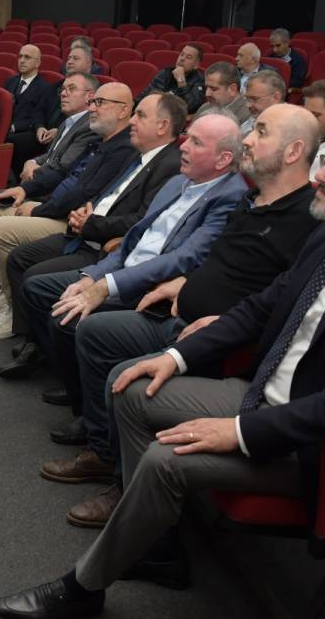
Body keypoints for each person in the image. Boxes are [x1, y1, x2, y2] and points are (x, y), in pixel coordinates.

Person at [0, 112, 325, 619]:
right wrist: (175, 356)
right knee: (132, 386)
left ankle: (83, 587)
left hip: (311, 441)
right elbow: (260, 307)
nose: (319, 177)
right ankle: (158, 545)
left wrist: (238, 431)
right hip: (260, 392)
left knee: (165, 459)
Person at [42, 104, 323, 526]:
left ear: (293, 151)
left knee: (124, 378)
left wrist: (225, 318)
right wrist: (184, 284)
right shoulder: (252, 200)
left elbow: (289, 297)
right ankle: (105, 452)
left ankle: (128, 490)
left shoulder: (309, 219)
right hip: (177, 310)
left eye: (260, 132)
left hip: (223, 339)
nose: (247, 139)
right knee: (94, 332)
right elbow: (218, 261)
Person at [15, 112, 247, 408]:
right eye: (187, 138)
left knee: (65, 319)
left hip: (149, 286)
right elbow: (132, 241)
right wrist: (92, 276)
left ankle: (88, 409)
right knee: (37, 289)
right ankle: (74, 380)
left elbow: (184, 258)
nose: (184, 146)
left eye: (197, 143)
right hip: (121, 267)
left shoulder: (230, 197)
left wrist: (106, 285)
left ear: (223, 159)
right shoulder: (178, 181)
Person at [0, 91, 184, 341]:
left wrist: (90, 221)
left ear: (162, 126)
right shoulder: (139, 154)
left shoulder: (169, 164)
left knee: (33, 276)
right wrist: (89, 209)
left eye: (140, 115)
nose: (132, 120)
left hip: (104, 245)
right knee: (20, 258)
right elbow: (104, 193)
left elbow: (142, 221)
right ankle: (25, 327)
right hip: (84, 229)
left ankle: (36, 342)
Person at [0, 73, 99, 299]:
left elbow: (63, 167)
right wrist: (32, 161)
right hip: (43, 183)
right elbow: (51, 156)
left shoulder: (88, 126)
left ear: (89, 96)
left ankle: (3, 276)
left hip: (51, 193)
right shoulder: (68, 121)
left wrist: (35, 173)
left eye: (71, 88)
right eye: (63, 89)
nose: (63, 93)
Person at [3, 44, 58, 176]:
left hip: (26, 131)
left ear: (38, 63)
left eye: (27, 57)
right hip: (5, 128)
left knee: (11, 141)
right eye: (20, 56)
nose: (22, 60)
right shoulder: (10, 81)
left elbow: (40, 115)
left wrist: (14, 127)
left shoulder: (45, 88)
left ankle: (11, 179)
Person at [136, 45, 205, 114]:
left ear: (196, 65)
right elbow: (145, 95)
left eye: (188, 57)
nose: (182, 59)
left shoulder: (199, 80)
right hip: (152, 111)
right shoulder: (165, 72)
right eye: (181, 54)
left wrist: (181, 81)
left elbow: (192, 106)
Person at [240, 70, 286, 136]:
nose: (248, 105)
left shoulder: (288, 128)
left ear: (276, 97)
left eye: (254, 99)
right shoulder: (253, 118)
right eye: (247, 99)